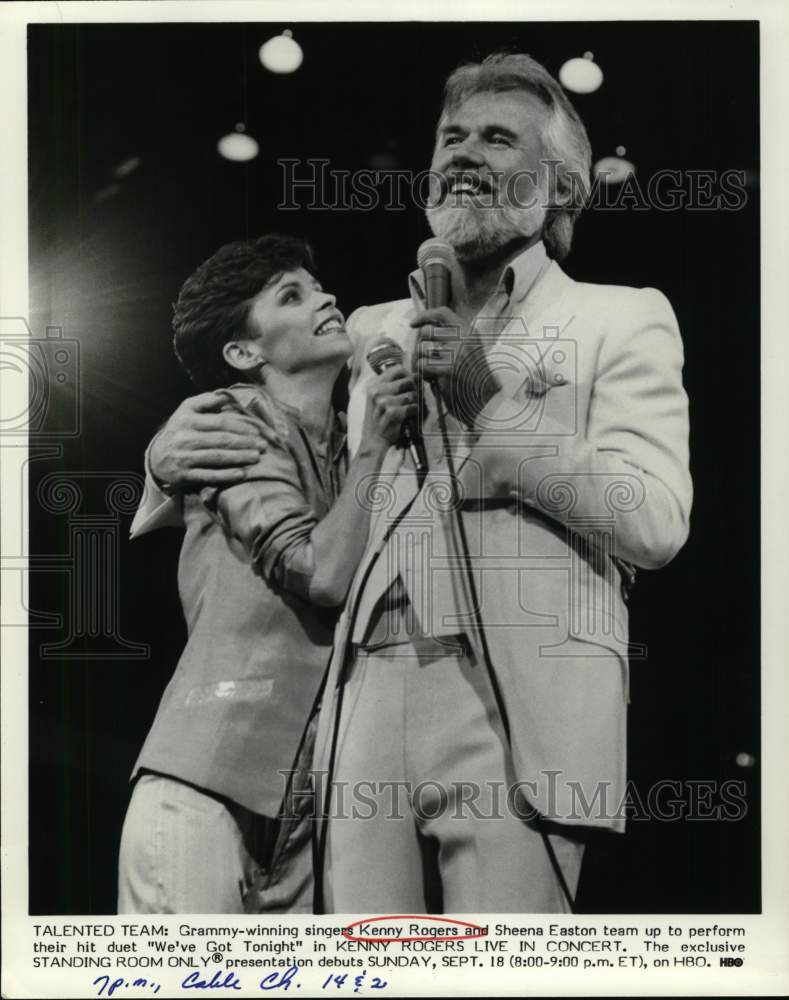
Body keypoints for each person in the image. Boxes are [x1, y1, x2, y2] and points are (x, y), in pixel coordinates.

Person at [136, 52, 692, 913]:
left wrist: (487, 400)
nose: (464, 153)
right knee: (368, 966)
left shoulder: (620, 316)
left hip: (517, 702)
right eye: (451, 137)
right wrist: (163, 452)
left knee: (504, 973)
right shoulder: (366, 329)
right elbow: (267, 403)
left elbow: (653, 521)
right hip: (358, 693)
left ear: (558, 185)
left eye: (498, 138)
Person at [119, 233, 416, 913]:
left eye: (316, 286)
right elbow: (322, 575)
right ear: (244, 352)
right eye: (292, 295)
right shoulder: (229, 421)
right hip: (207, 780)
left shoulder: (343, 451)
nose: (324, 297)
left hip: (306, 814)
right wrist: (377, 447)